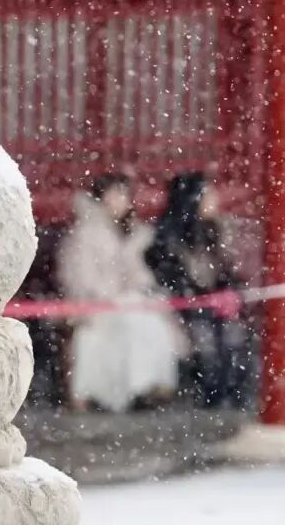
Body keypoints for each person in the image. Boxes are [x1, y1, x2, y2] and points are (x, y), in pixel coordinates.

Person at [57, 173, 183, 412]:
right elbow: (79, 275)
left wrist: (137, 286)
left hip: (130, 299)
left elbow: (143, 271)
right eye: (115, 194)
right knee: (127, 323)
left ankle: (147, 386)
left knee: (152, 323)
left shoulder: (137, 232)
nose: (120, 200)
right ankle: (122, 390)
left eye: (124, 195)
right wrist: (110, 293)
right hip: (96, 303)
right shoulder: (84, 232)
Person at [146, 172, 246, 408]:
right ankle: (210, 394)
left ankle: (231, 392)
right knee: (204, 338)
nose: (215, 200)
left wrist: (226, 292)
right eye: (207, 195)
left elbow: (229, 272)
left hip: (217, 304)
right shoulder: (168, 238)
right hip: (186, 306)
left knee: (234, 335)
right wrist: (198, 296)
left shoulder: (220, 229)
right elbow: (173, 279)